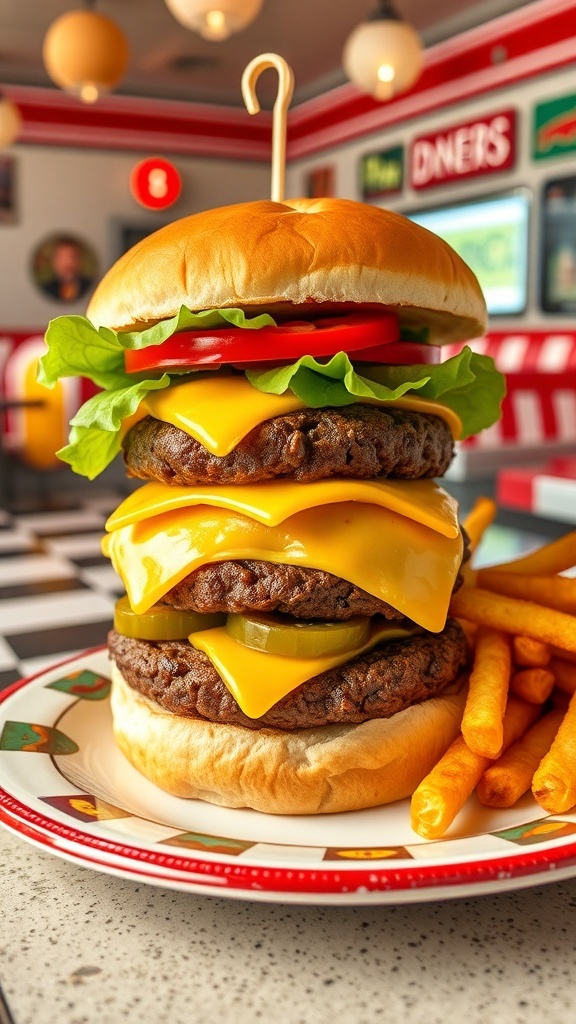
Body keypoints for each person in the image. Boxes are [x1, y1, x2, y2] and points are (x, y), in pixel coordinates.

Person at [40, 236, 94, 302]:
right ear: (54, 262)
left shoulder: (92, 287)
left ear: (80, 261)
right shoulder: (46, 289)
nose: (67, 263)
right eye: (62, 258)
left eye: (72, 257)